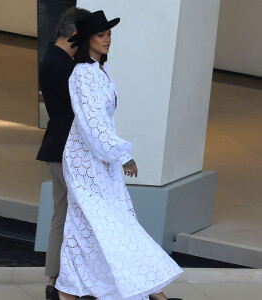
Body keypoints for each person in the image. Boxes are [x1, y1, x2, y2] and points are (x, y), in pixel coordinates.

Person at [53, 10, 183, 300]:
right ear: (86, 39)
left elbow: (100, 123)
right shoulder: (83, 75)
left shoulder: (100, 70)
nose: (108, 39)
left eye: (109, 34)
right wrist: (122, 154)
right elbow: (93, 125)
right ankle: (152, 293)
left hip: (99, 159)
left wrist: (114, 154)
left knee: (88, 226)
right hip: (86, 161)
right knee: (109, 224)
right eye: (101, 34)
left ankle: (68, 292)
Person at [36, 7, 91, 300]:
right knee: (79, 217)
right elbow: (78, 112)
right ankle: (66, 285)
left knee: (62, 215)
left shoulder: (55, 60)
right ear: (73, 35)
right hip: (66, 151)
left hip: (56, 148)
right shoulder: (62, 66)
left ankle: (53, 281)